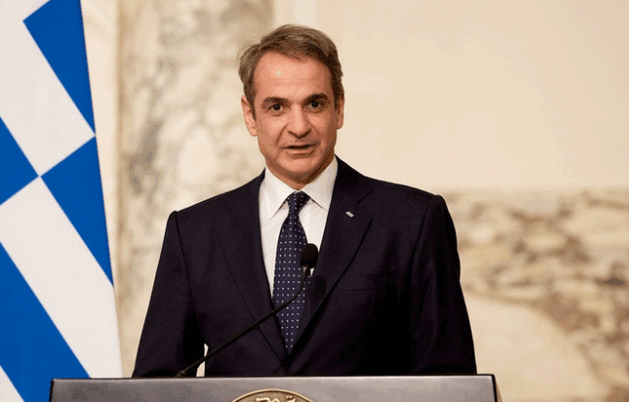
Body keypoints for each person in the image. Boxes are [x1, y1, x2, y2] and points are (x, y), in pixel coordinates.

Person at [133, 24, 476, 377]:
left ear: (339, 109)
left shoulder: (412, 222)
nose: (298, 127)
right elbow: (158, 386)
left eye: (314, 104)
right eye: (276, 107)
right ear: (250, 116)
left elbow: (450, 382)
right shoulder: (195, 233)